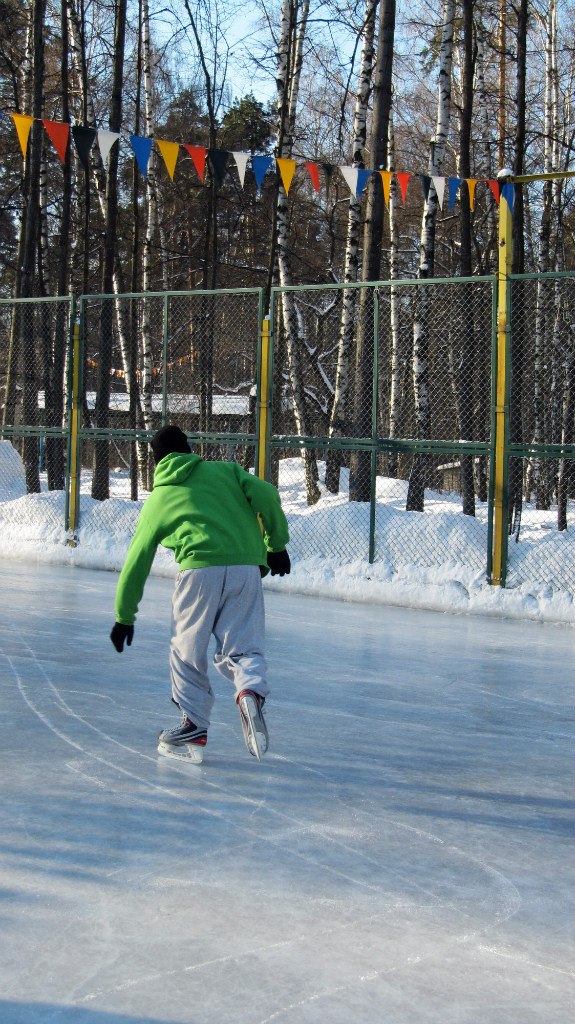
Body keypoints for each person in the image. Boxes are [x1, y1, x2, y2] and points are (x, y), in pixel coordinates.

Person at [110, 424, 290, 765]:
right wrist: (276, 544)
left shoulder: (159, 499)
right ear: (189, 448)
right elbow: (266, 494)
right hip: (245, 569)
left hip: (198, 573)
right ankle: (249, 689)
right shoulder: (226, 471)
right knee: (244, 646)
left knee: (186, 651)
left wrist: (124, 616)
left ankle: (193, 727)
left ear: (157, 460)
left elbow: (137, 560)